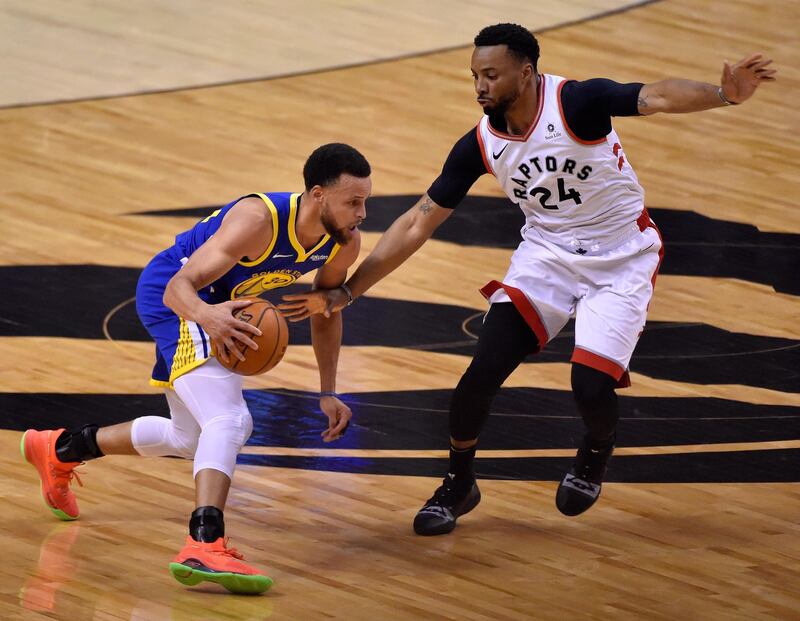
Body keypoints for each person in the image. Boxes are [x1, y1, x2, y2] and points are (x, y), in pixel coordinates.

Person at [279, 24, 776, 535]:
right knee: (479, 375)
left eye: (491, 75)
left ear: (526, 72)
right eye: (475, 75)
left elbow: (657, 96)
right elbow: (417, 221)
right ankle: (458, 482)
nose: (480, 87)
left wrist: (723, 94)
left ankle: (596, 450)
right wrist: (347, 291)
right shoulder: (480, 143)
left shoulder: (578, 102)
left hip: (622, 257)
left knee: (590, 386)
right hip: (548, 257)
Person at [21, 143, 371, 591]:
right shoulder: (258, 219)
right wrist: (209, 317)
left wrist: (328, 390)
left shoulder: (343, 242)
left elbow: (327, 310)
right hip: (179, 299)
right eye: (353, 202)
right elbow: (177, 287)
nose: (362, 213)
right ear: (318, 194)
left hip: (215, 310)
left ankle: (60, 449)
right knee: (229, 419)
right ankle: (204, 542)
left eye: (366, 201)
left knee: (191, 438)